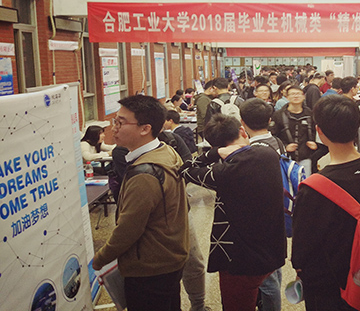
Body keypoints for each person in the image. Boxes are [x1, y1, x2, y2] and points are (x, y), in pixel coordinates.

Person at [292, 95, 360, 310]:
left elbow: (302, 249)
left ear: (319, 131)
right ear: (357, 127)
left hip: (327, 285)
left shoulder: (312, 188)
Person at [179, 114, 286, 311]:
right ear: (242, 131)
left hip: (239, 259)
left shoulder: (223, 173)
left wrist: (214, 153)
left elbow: (185, 169)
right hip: (271, 250)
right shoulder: (268, 154)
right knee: (268, 290)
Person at [92, 95, 189, 311]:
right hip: (169, 257)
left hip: (150, 267)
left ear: (145, 129)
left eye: (121, 123)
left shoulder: (144, 173)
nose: (114, 128)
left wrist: (101, 258)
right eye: (115, 121)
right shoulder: (165, 150)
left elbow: (128, 229)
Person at [239, 98, 286, 311]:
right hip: (277, 212)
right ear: (269, 120)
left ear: (242, 122)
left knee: (267, 280)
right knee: (273, 269)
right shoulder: (277, 142)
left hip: (260, 218)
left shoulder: (252, 151)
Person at [270, 85, 317, 174]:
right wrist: (284, 147)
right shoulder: (279, 115)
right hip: (285, 158)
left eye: (298, 94)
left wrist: (315, 144)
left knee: (305, 181)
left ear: (303, 96)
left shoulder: (310, 115)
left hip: (306, 158)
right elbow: (273, 135)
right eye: (292, 94)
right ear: (287, 97)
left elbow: (317, 132)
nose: (296, 96)